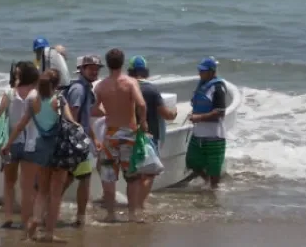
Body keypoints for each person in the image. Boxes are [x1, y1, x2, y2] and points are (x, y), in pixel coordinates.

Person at [2, 69, 79, 242]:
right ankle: (49, 232)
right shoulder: (58, 100)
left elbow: (21, 125)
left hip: (41, 148)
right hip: (59, 149)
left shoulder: (35, 102)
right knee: (56, 193)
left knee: (42, 191)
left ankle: (35, 219)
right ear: (57, 84)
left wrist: (8, 144)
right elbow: (70, 122)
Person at [92, 48, 148, 223]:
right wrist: (143, 123)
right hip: (129, 132)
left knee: (108, 175)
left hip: (111, 133)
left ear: (107, 65)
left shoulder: (101, 86)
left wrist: (106, 113)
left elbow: (93, 108)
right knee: (132, 176)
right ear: (123, 63)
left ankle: (110, 214)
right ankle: (132, 214)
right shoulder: (130, 83)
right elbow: (142, 104)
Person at [128, 55, 177, 211]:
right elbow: (166, 114)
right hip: (149, 137)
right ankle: (139, 204)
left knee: (135, 174)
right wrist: (174, 113)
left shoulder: (126, 87)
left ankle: (134, 204)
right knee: (149, 173)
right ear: (146, 71)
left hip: (128, 135)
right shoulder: (151, 89)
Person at [60, 54, 104, 226]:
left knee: (69, 177)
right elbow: (73, 116)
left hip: (77, 140)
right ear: (82, 69)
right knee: (84, 178)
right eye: (91, 68)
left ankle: (50, 207)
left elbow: (85, 119)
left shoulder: (84, 88)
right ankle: (80, 217)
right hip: (76, 142)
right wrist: (79, 141)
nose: (95, 71)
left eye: (97, 68)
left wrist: (94, 138)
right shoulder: (79, 89)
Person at [0, 61, 39, 228]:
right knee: (28, 186)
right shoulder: (36, 94)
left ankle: (8, 216)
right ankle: (26, 220)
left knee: (9, 182)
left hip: (10, 143)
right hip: (31, 144)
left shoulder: (9, 93)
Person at [185, 57, 228, 190]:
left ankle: (214, 191)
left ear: (211, 71)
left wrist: (199, 117)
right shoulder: (202, 85)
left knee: (214, 168)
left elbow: (220, 112)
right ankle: (207, 181)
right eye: (199, 70)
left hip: (215, 136)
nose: (200, 73)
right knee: (192, 162)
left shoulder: (218, 88)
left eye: (202, 71)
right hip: (198, 134)